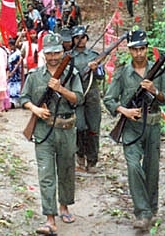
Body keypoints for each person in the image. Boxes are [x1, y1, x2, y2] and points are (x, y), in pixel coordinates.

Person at [103, 29, 165, 231]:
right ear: (130, 51)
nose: (139, 53)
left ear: (147, 50)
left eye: (142, 49)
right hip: (131, 128)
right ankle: (142, 212)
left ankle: (151, 209)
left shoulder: (157, 71)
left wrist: (154, 91)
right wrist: (123, 110)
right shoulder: (122, 73)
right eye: (135, 50)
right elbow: (109, 99)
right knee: (134, 167)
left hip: (152, 125)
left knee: (151, 169)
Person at [19, 33, 84, 235]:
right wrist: (35, 110)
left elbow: (78, 99)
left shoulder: (71, 74)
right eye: (50, 53)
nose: (54, 57)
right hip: (43, 129)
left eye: (57, 52)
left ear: (62, 52)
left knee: (66, 171)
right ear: (44, 54)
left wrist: (61, 89)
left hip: (66, 128)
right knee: (46, 174)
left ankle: (64, 206)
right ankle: (49, 218)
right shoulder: (35, 75)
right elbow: (24, 98)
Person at [70, 26, 105, 172]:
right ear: (73, 39)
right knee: (79, 127)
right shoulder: (69, 56)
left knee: (93, 128)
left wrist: (95, 68)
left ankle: (92, 160)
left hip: (92, 96)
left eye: (83, 37)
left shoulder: (93, 55)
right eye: (77, 37)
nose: (80, 40)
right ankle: (80, 154)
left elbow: (101, 75)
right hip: (76, 97)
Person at [6, 38, 23, 108]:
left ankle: (16, 101)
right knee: (10, 85)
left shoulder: (18, 53)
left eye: (11, 46)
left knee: (16, 86)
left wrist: (13, 71)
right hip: (10, 69)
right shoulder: (10, 53)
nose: (10, 47)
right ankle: (11, 102)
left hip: (16, 71)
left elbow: (19, 63)